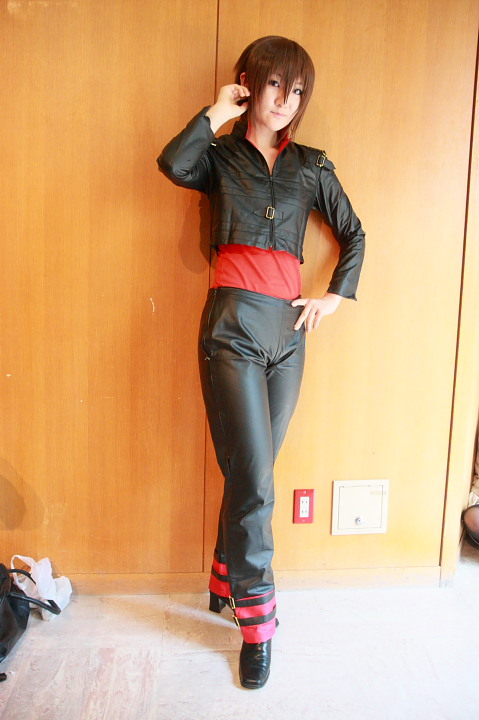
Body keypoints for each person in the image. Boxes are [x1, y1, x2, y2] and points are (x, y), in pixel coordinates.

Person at [157, 35, 365, 689]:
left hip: (289, 335)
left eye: (296, 90)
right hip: (233, 329)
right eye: (274, 84)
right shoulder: (218, 156)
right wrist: (218, 111)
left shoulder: (311, 165)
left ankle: (224, 577)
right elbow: (173, 163)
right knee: (255, 484)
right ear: (249, 82)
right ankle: (258, 625)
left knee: (254, 476)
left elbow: (353, 233)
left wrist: (332, 296)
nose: (285, 100)